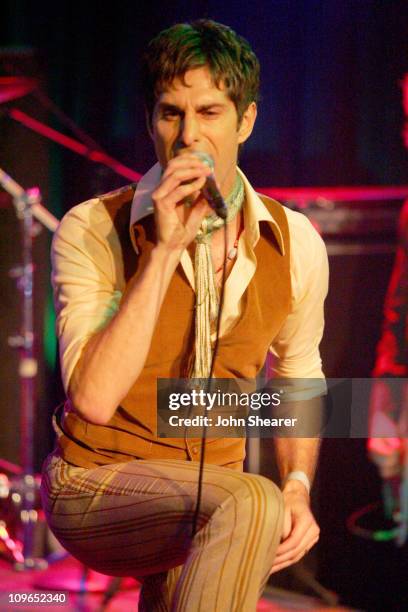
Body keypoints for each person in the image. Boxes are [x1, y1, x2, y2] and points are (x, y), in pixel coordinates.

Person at [40, 20, 328, 611]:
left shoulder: (295, 240)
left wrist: (297, 485)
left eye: (210, 112)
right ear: (149, 120)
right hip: (97, 486)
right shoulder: (93, 227)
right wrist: (164, 250)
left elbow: (298, 378)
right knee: (251, 501)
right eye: (171, 114)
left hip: (212, 496)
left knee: (242, 516)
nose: (188, 136)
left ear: (246, 120)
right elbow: (92, 398)